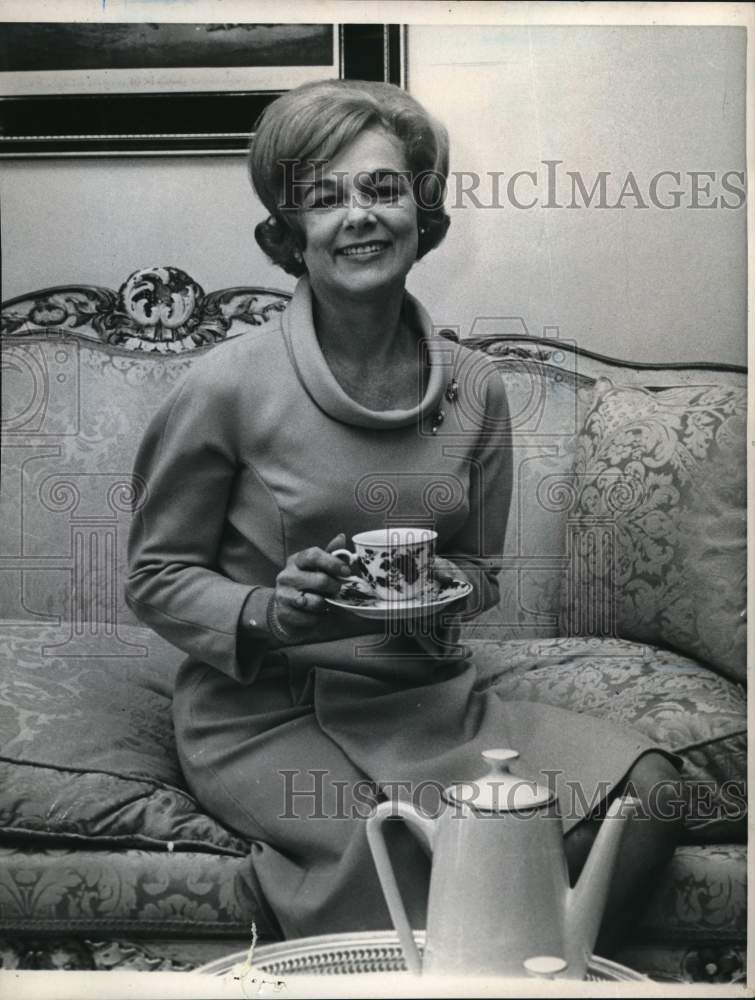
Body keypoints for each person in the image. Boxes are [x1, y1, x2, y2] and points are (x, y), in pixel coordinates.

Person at [126, 79, 681, 951]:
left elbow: (480, 572)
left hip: (426, 695)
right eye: (325, 197)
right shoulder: (225, 384)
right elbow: (156, 577)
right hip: (270, 713)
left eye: (383, 188)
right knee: (413, 861)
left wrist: (435, 587)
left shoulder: (474, 386)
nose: (359, 216)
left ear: (422, 218)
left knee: (646, 793)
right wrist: (270, 609)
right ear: (289, 235)